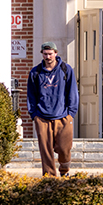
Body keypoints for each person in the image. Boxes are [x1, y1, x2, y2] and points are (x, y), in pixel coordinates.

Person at [27, 42, 79, 176]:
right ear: (42, 54)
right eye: (45, 54)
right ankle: (49, 178)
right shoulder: (35, 72)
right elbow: (31, 95)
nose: (48, 56)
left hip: (62, 116)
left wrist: (71, 113)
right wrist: (34, 114)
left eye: (50, 54)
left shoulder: (66, 69)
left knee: (64, 148)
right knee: (46, 151)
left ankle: (64, 170)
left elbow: (72, 92)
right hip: (42, 116)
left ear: (56, 53)